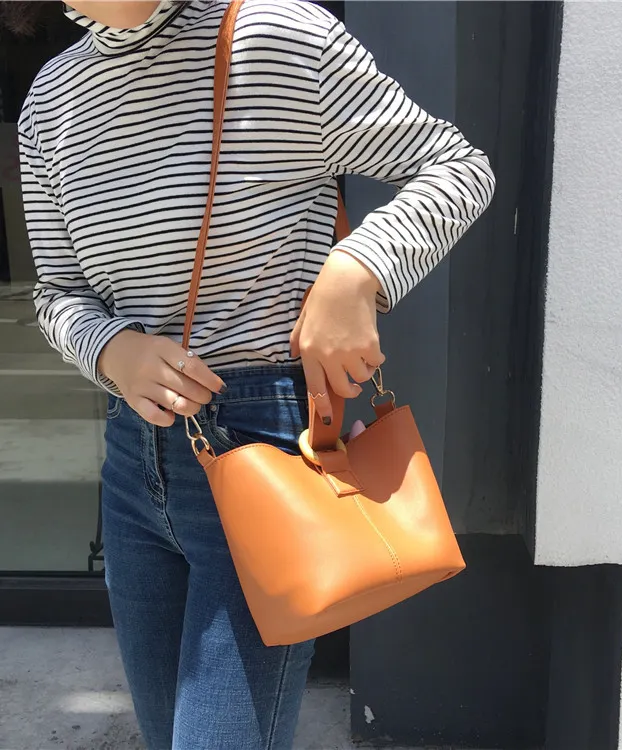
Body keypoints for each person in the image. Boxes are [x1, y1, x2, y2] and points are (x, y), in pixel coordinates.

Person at [15, 1, 494, 748]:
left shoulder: (274, 37)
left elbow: (456, 167)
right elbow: (57, 293)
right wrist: (111, 349)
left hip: (264, 447)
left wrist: (356, 270)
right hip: (132, 460)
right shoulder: (52, 98)